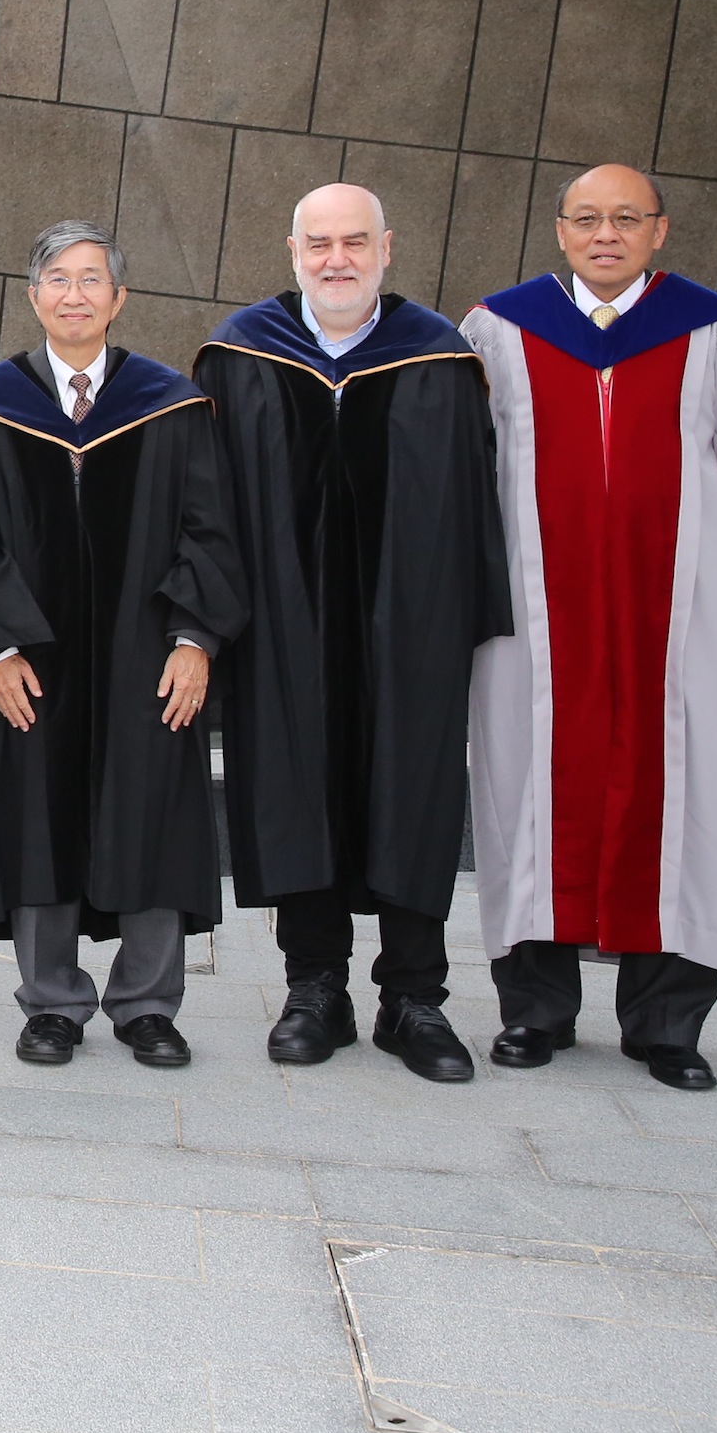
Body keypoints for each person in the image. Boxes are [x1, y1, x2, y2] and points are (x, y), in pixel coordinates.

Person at [460, 164, 717, 1092]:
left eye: (626, 219)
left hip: (675, 616)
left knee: (687, 794)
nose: (606, 233)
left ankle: (667, 1021)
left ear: (659, 231)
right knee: (529, 787)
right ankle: (534, 1009)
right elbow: (462, 468)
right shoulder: (498, 329)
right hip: (534, 617)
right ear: (561, 231)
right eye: (588, 219)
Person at [198, 185, 508, 1083]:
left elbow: (473, 501)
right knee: (298, 786)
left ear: (387, 246)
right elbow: (205, 502)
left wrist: (466, 620)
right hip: (284, 625)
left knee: (411, 789)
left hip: (408, 628)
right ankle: (315, 988)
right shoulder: (240, 351)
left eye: (355, 242)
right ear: (291, 249)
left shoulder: (441, 356)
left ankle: (413, 997)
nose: (338, 259)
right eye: (320, 243)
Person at [0, 221, 246, 1071]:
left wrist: (195, 637)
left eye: (92, 279)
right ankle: (51, 1003)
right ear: (33, 294)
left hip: (146, 653)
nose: (75, 293)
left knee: (152, 811)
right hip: (32, 658)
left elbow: (213, 532)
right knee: (38, 817)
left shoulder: (173, 403)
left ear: (119, 299)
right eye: (58, 278)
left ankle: (148, 1004)